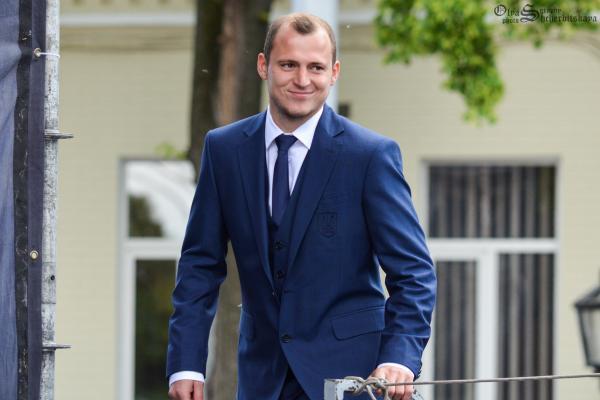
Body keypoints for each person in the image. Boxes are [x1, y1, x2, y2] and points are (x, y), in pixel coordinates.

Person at [167, 12, 436, 400]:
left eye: (316, 67)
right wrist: (186, 363)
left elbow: (413, 272)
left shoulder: (369, 156)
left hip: (352, 379)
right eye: (288, 65)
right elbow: (199, 264)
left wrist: (400, 357)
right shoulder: (224, 150)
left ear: (334, 72)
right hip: (262, 379)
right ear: (263, 65)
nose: (303, 80)